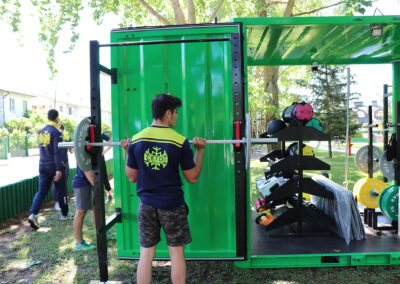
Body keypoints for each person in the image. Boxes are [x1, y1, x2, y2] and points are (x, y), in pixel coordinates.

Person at [121, 93, 206, 284]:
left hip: (146, 205)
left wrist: (128, 152)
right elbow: (192, 177)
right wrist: (200, 151)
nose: (177, 117)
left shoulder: (136, 140)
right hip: (172, 205)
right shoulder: (179, 141)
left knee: (145, 255)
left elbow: (132, 177)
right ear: (167, 113)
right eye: (176, 113)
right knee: (176, 254)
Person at [28, 109, 70, 229]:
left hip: (42, 164)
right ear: (56, 118)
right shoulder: (57, 131)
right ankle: (65, 213)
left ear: (48, 117)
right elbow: (57, 151)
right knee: (61, 190)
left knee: (41, 191)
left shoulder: (41, 131)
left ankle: (33, 214)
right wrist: (58, 169)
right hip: (54, 165)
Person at [72, 165, 97, 251]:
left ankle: (102, 231)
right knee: (81, 212)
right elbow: (86, 169)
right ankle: (79, 243)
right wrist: (97, 186)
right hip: (82, 183)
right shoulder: (82, 151)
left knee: (95, 208)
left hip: (91, 182)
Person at [52, 123, 71, 211]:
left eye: (61, 128)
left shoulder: (66, 138)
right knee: (56, 184)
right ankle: (57, 203)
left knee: (65, 183)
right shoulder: (53, 137)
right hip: (56, 163)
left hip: (65, 162)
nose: (60, 130)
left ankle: (64, 202)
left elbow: (71, 151)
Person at [101, 132, 113, 202]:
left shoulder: (101, 134)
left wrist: (104, 152)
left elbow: (111, 142)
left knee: (104, 175)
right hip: (91, 158)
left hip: (100, 157)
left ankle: (110, 194)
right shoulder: (87, 134)